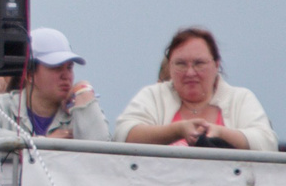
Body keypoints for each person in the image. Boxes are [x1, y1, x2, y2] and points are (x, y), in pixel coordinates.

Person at [117, 27, 276, 151]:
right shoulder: (152, 95)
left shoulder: (241, 99)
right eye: (181, 64)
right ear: (169, 67)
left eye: (199, 63)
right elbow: (123, 135)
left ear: (216, 65)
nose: (190, 72)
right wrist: (177, 130)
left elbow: (267, 144)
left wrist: (220, 133)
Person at [0, 28, 110, 145]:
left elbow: (104, 151)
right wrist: (42, 144)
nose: (66, 75)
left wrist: (84, 91)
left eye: (69, 67)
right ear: (29, 74)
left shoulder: (80, 110)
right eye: (56, 67)